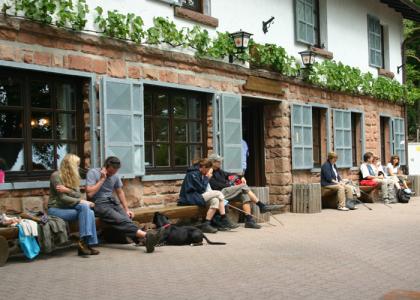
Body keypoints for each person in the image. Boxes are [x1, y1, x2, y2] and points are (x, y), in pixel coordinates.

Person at [86, 156, 160, 253]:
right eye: (111, 172)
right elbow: (90, 194)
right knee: (120, 220)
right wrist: (102, 179)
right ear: (105, 166)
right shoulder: (93, 173)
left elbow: (120, 192)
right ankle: (146, 236)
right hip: (99, 204)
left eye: (115, 172)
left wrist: (126, 209)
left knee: (126, 217)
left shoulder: (115, 176)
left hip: (112, 202)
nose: (113, 174)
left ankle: (143, 240)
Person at [208, 153, 280, 229]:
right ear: (213, 162)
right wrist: (233, 187)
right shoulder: (209, 172)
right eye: (218, 161)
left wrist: (241, 176)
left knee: (244, 195)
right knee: (243, 186)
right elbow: (215, 185)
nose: (220, 163)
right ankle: (261, 205)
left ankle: (249, 220)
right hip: (219, 193)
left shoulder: (219, 171)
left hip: (227, 192)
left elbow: (230, 174)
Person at [48, 154, 100, 256]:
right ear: (70, 165)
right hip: (56, 209)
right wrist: (82, 201)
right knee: (87, 210)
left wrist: (67, 190)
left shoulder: (73, 177)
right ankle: (86, 244)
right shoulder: (56, 176)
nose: (78, 167)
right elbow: (63, 198)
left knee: (87, 211)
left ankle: (84, 244)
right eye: (76, 164)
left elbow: (77, 195)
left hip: (70, 207)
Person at [178, 158, 232, 233]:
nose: (207, 172)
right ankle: (224, 218)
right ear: (203, 167)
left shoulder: (200, 173)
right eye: (208, 169)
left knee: (215, 200)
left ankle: (206, 224)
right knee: (219, 193)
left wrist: (206, 178)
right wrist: (207, 178)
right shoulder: (193, 174)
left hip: (197, 196)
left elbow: (201, 189)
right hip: (190, 197)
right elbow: (201, 188)